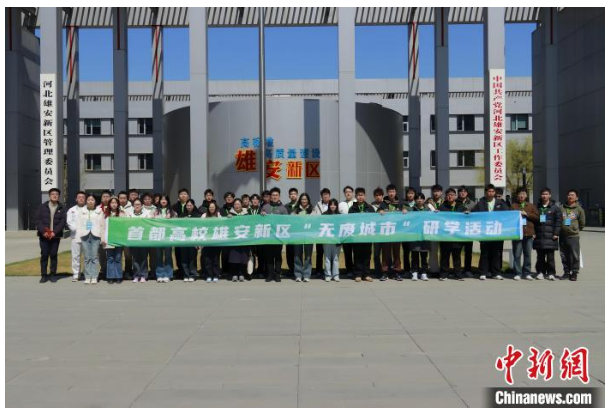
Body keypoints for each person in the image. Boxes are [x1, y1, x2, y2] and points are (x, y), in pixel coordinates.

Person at [473, 184, 509, 281]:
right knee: (485, 253)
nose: (491, 193)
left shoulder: (500, 203)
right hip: (485, 232)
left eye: (493, 191)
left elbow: (507, 214)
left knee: (497, 253)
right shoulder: (480, 203)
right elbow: (473, 214)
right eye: (489, 191)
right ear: (486, 192)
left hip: (497, 231)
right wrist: (468, 213)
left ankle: (496, 272)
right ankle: (483, 272)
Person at [36, 188, 67, 283]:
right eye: (52, 194)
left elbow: (63, 221)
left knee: (53, 255)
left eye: (56, 194)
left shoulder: (62, 207)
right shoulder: (42, 207)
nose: (54, 195)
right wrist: (43, 231)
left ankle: (53, 274)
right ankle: (44, 275)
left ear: (59, 196)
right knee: (44, 255)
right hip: (44, 236)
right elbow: (38, 220)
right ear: (49, 196)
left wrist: (55, 232)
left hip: (55, 236)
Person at [378, 184, 407, 281]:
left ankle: (397, 272)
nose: (391, 193)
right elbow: (378, 212)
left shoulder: (400, 203)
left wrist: (405, 210)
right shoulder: (383, 203)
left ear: (396, 192)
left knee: (397, 253)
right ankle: (385, 273)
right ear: (387, 193)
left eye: (393, 191)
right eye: (390, 191)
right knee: (385, 253)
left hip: (397, 232)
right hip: (386, 232)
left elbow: (407, 211)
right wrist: (380, 211)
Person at [438, 188, 467, 281]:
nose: (450, 196)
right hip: (445, 236)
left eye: (452, 195)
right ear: (446, 196)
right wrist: (436, 213)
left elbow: (467, 217)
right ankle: (444, 274)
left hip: (457, 236)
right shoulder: (442, 207)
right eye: (448, 195)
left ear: (455, 196)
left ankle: (458, 274)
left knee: (457, 256)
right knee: (444, 256)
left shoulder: (461, 207)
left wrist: (467, 213)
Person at [76, 193, 106, 284]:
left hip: (96, 235)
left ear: (95, 201)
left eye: (92, 200)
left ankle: (94, 276)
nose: (90, 201)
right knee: (87, 257)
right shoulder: (82, 211)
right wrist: (78, 238)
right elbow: (79, 225)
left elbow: (102, 225)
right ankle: (88, 276)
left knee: (94, 257)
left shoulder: (99, 211)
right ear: (86, 201)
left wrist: (102, 237)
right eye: (88, 200)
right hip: (84, 235)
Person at [511, 187, 539, 281]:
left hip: (528, 233)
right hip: (517, 234)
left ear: (526, 195)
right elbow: (509, 218)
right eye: (520, 194)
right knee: (517, 255)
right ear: (517, 195)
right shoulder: (513, 206)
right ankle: (517, 273)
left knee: (527, 254)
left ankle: (527, 273)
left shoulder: (531, 206)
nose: (521, 196)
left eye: (523, 194)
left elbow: (537, 217)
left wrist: (527, 214)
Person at [533, 188, 562, 281]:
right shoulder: (536, 207)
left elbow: (558, 221)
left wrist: (556, 233)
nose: (544, 196)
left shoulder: (555, 207)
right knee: (540, 257)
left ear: (550, 195)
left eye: (546, 194)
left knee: (550, 257)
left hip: (551, 236)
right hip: (539, 236)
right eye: (543, 194)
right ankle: (540, 272)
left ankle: (551, 273)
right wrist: (533, 233)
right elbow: (533, 221)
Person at [261, 187, 288, 282]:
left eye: (276, 195)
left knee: (277, 255)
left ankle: (277, 274)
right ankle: (270, 274)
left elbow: (286, 222)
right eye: (273, 195)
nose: (275, 197)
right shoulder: (265, 207)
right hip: (267, 236)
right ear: (270, 196)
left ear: (279, 196)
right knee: (268, 256)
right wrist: (262, 215)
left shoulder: (283, 208)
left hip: (278, 236)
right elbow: (260, 221)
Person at [349, 187, 375, 282]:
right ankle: (358, 274)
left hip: (367, 235)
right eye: (358, 195)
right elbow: (350, 221)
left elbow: (374, 220)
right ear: (356, 196)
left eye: (362, 195)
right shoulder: (352, 208)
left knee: (367, 254)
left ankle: (366, 274)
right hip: (357, 235)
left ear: (365, 196)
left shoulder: (370, 208)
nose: (360, 197)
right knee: (357, 254)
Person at [559, 189, 586, 281]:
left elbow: (582, 223)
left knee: (574, 254)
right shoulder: (561, 208)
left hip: (573, 236)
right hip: (562, 235)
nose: (570, 196)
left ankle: (574, 272)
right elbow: (558, 219)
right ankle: (566, 272)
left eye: (572, 195)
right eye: (569, 195)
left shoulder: (579, 209)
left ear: (576, 197)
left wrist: (575, 229)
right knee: (563, 255)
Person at [152, 194, 177, 283]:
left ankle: (168, 275)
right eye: (162, 199)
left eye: (165, 199)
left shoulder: (173, 212)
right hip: (158, 236)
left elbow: (176, 224)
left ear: (168, 201)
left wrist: (171, 219)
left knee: (168, 256)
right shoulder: (155, 211)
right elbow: (150, 222)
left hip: (168, 237)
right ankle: (159, 275)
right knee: (158, 256)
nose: (163, 201)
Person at [104, 197, 127, 284]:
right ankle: (110, 277)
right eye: (112, 203)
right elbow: (102, 227)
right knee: (110, 258)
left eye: (115, 203)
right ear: (109, 204)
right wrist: (103, 238)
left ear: (118, 204)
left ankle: (118, 276)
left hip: (118, 239)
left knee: (118, 258)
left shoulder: (122, 214)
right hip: (109, 239)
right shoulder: (105, 214)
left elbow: (125, 226)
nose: (114, 204)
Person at [227, 199, 250, 282]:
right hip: (234, 239)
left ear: (241, 205)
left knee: (243, 257)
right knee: (234, 257)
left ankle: (241, 273)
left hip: (244, 239)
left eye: (238, 204)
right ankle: (234, 274)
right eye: (235, 204)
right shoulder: (230, 214)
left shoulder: (247, 214)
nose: (237, 206)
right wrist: (228, 218)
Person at [293, 193, 314, 282]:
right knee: (297, 255)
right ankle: (298, 275)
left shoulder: (312, 211)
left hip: (309, 236)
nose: (304, 201)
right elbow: (291, 221)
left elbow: (316, 222)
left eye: (305, 199)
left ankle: (306, 275)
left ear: (308, 200)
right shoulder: (295, 211)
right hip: (298, 236)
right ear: (300, 200)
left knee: (308, 256)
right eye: (302, 199)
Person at [410, 193, 431, 281]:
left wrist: (436, 213)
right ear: (415, 200)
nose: (419, 200)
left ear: (423, 200)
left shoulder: (428, 209)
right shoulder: (411, 209)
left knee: (424, 255)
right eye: (417, 198)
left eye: (421, 198)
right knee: (414, 255)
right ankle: (415, 272)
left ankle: (424, 273)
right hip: (414, 235)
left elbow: (433, 218)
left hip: (424, 235)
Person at [66, 191, 86, 282]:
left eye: (83, 197)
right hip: (75, 236)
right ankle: (76, 274)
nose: (81, 198)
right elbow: (69, 222)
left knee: (87, 256)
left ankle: (86, 273)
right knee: (75, 256)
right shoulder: (71, 210)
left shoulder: (89, 209)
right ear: (76, 199)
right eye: (79, 197)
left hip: (87, 236)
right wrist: (77, 229)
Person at [179, 199, 201, 282]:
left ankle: (192, 274)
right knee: (184, 258)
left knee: (192, 258)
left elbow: (200, 228)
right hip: (184, 240)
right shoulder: (181, 215)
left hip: (193, 240)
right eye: (187, 205)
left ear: (193, 206)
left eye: (190, 205)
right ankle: (186, 274)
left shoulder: (198, 216)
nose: (189, 207)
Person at [201, 201, 222, 283]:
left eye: (213, 207)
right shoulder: (204, 215)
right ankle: (208, 275)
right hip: (206, 240)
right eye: (210, 207)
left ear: (215, 208)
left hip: (216, 240)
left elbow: (222, 225)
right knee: (207, 259)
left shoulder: (218, 215)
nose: (211, 208)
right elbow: (200, 226)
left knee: (215, 259)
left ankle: (216, 275)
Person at [172, 188, 190, 279]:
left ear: (188, 196)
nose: (183, 195)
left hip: (188, 233)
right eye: (181, 194)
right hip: (178, 232)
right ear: (178, 196)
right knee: (178, 252)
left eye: (185, 194)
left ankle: (188, 271)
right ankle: (180, 271)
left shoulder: (191, 205)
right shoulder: (174, 206)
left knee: (188, 252)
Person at [457, 186, 476, 277]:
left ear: (467, 193)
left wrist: (470, 213)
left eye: (464, 191)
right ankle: (458, 270)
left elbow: (476, 214)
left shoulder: (472, 203)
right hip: (458, 230)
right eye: (461, 191)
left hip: (468, 230)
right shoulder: (455, 202)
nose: (462, 193)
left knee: (468, 251)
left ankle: (467, 269)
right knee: (457, 251)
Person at [130, 198, 150, 283]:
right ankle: (136, 275)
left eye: (138, 204)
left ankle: (143, 275)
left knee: (143, 257)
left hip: (143, 239)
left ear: (142, 206)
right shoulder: (129, 215)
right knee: (135, 258)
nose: (137, 206)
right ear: (133, 206)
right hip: (133, 239)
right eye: (135, 204)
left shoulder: (147, 214)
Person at [313, 188, 331, 277]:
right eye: (324, 194)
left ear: (329, 196)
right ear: (321, 196)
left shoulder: (333, 204)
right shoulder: (317, 205)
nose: (325, 196)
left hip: (330, 232)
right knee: (319, 252)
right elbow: (313, 216)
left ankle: (329, 270)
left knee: (329, 253)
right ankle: (319, 271)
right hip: (320, 232)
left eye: (327, 194)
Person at [338, 186, 355, 278]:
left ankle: (356, 269)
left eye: (350, 192)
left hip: (355, 232)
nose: (348, 193)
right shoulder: (341, 204)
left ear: (352, 193)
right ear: (344, 193)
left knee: (356, 252)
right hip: (345, 232)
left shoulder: (356, 203)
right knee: (347, 252)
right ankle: (349, 270)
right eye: (346, 192)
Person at [322, 199, 341, 282]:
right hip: (327, 240)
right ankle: (327, 275)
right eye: (331, 204)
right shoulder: (324, 215)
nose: (333, 206)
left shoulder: (340, 216)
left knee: (336, 258)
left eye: (334, 205)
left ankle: (336, 275)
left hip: (336, 240)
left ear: (337, 206)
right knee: (327, 258)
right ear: (329, 205)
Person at [401, 187, 417, 279]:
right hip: (406, 232)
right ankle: (406, 270)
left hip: (415, 231)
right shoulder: (402, 204)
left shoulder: (418, 203)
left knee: (415, 252)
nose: (410, 195)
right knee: (406, 252)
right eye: (409, 193)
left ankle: (415, 270)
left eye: (412, 193)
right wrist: (401, 212)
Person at [118, 191, 134, 279]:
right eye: (121, 198)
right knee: (118, 255)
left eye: (124, 198)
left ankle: (128, 272)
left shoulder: (132, 208)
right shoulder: (115, 206)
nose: (122, 200)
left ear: (127, 198)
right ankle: (118, 273)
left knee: (128, 256)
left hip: (128, 235)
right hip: (117, 235)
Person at [248, 194, 265, 278]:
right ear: (250, 201)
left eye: (257, 199)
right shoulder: (247, 211)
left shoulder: (262, 210)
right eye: (253, 199)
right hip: (250, 235)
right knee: (251, 254)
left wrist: (265, 215)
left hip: (259, 235)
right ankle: (251, 271)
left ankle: (260, 271)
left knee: (261, 254)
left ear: (259, 201)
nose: (255, 201)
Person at [97, 190, 112, 281]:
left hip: (111, 234)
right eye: (104, 197)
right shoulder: (97, 209)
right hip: (100, 234)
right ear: (101, 198)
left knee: (111, 255)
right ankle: (103, 270)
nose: (106, 198)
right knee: (101, 254)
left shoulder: (114, 208)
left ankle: (111, 272)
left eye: (107, 196)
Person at [285, 187, 299, 278]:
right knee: (289, 253)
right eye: (291, 194)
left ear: (297, 195)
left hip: (298, 233)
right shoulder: (286, 206)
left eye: (294, 194)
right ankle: (291, 270)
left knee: (297, 253)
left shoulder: (300, 206)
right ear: (289, 196)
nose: (293, 195)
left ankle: (297, 270)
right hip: (289, 233)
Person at [371, 187, 385, 276]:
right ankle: (377, 271)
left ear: (382, 196)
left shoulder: (386, 205)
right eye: (376, 195)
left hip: (385, 232)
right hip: (376, 233)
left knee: (386, 253)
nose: (378, 197)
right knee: (376, 253)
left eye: (380, 195)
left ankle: (386, 271)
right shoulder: (371, 206)